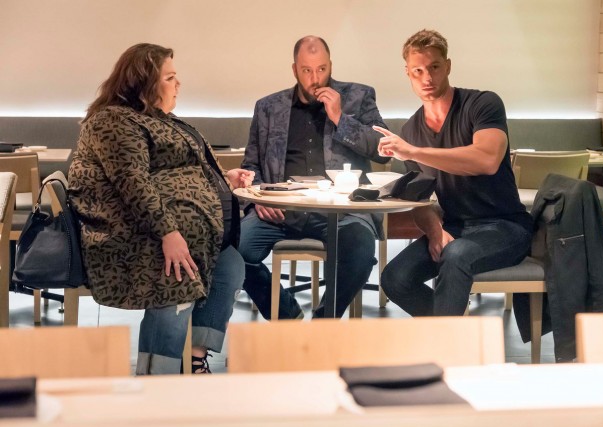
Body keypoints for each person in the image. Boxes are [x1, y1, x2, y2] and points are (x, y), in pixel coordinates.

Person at [68, 43, 255, 374]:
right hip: (134, 236)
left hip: (190, 235)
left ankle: (194, 358)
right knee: (175, 279)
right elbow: (133, 182)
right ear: (142, 83)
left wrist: (223, 179)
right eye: (169, 78)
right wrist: (169, 233)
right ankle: (157, 378)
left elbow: (176, 168)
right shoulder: (113, 121)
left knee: (230, 266)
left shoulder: (158, 119)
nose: (178, 84)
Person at [376, 29, 533, 316]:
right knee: (395, 278)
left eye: (434, 67)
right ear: (407, 73)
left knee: (456, 254)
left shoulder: (482, 103)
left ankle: (449, 339)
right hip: (455, 227)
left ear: (448, 66)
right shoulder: (411, 129)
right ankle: (456, 331)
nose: (427, 78)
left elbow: (487, 159)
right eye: (418, 70)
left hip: (506, 226)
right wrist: (435, 231)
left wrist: (413, 152)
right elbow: (420, 201)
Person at [240, 35, 389, 319]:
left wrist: (340, 118)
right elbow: (251, 164)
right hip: (281, 211)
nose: (315, 79)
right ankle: (287, 315)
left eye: (321, 69)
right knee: (234, 250)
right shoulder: (268, 107)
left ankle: (323, 321)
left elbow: (383, 150)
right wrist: (259, 197)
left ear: (331, 65)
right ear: (294, 70)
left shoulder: (358, 97)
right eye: (307, 70)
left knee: (360, 252)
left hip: (342, 212)